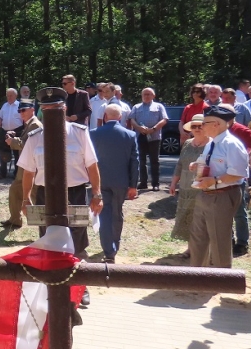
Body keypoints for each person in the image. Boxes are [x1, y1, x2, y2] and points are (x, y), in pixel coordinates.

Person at [19, 90, 103, 260]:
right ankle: (52, 275)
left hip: (75, 192)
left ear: (64, 108)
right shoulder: (35, 137)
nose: (51, 112)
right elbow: (28, 171)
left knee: (77, 239)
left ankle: (77, 275)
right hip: (46, 194)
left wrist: (97, 194)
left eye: (55, 107)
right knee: (48, 238)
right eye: (46, 108)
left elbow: (92, 165)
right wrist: (25, 199)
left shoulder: (79, 132)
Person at [187, 105, 249, 268]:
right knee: (198, 237)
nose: (201, 126)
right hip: (206, 193)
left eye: (205, 123)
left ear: (217, 124)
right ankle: (196, 275)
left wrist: (214, 180)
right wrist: (197, 165)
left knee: (219, 240)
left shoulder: (232, 144)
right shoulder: (211, 143)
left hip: (223, 194)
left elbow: (239, 173)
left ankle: (222, 276)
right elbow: (206, 161)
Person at [90, 104, 138, 263]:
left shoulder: (94, 134)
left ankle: (108, 251)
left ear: (105, 116)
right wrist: (133, 185)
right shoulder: (130, 135)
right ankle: (115, 246)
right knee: (117, 213)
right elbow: (135, 162)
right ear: (120, 117)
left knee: (104, 215)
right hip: (121, 182)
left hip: (101, 181)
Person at [219, 103, 251, 257]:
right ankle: (228, 240)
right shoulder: (217, 130)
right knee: (222, 211)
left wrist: (249, 159)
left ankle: (242, 242)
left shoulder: (240, 130)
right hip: (220, 176)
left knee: (239, 212)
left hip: (237, 178)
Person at [170, 114, 210, 249]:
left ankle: (202, 250)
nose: (197, 129)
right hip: (185, 187)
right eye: (194, 126)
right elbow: (180, 164)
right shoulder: (187, 143)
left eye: (200, 126)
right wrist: (173, 183)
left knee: (200, 219)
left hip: (202, 188)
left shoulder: (212, 144)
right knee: (187, 218)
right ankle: (190, 249)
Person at [2, 99, 42, 229]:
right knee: (15, 190)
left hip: (31, 167)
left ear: (32, 109)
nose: (21, 113)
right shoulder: (30, 124)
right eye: (19, 110)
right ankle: (15, 220)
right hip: (26, 166)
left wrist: (13, 142)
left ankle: (45, 223)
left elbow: (31, 146)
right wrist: (15, 137)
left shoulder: (35, 124)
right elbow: (27, 140)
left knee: (34, 195)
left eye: (24, 110)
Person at [129, 88, 168, 191]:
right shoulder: (136, 107)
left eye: (148, 94)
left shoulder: (159, 106)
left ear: (153, 96)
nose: (146, 96)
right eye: (144, 94)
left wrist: (153, 129)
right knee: (141, 161)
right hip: (140, 136)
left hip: (154, 137)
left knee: (154, 161)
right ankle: (143, 183)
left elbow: (164, 120)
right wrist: (139, 128)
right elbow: (132, 120)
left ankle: (155, 184)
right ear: (141, 96)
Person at [0, 88, 21, 178]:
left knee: (17, 153)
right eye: (7, 96)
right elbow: (0, 117)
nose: (9, 97)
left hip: (17, 132)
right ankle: (3, 173)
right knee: (3, 153)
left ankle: (17, 174)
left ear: (15, 96)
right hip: (5, 132)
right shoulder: (4, 106)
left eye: (11, 95)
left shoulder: (19, 105)